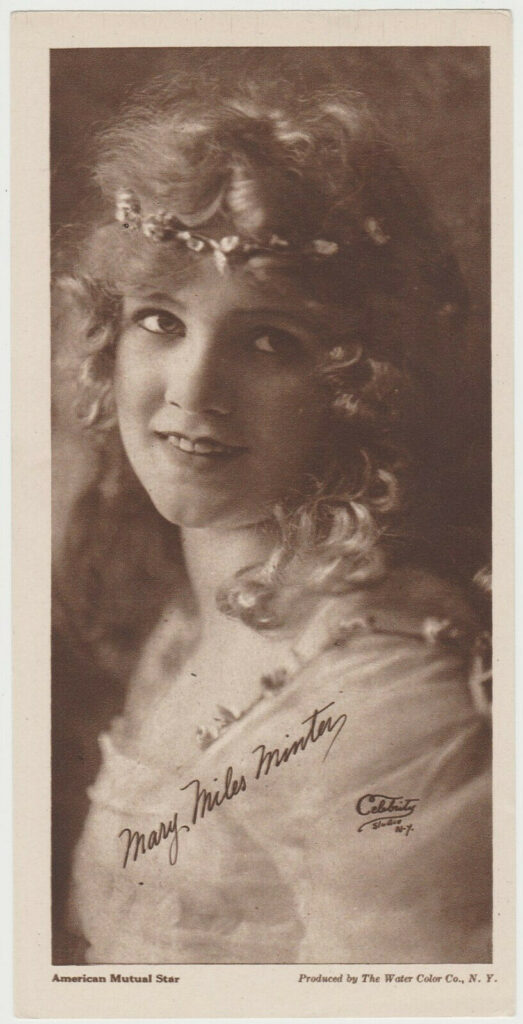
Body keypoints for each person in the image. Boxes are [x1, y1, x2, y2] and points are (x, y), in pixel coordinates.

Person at [52, 66, 492, 965]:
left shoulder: (379, 696)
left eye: (267, 340)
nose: (194, 390)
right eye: (161, 321)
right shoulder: (192, 617)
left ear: (354, 386)